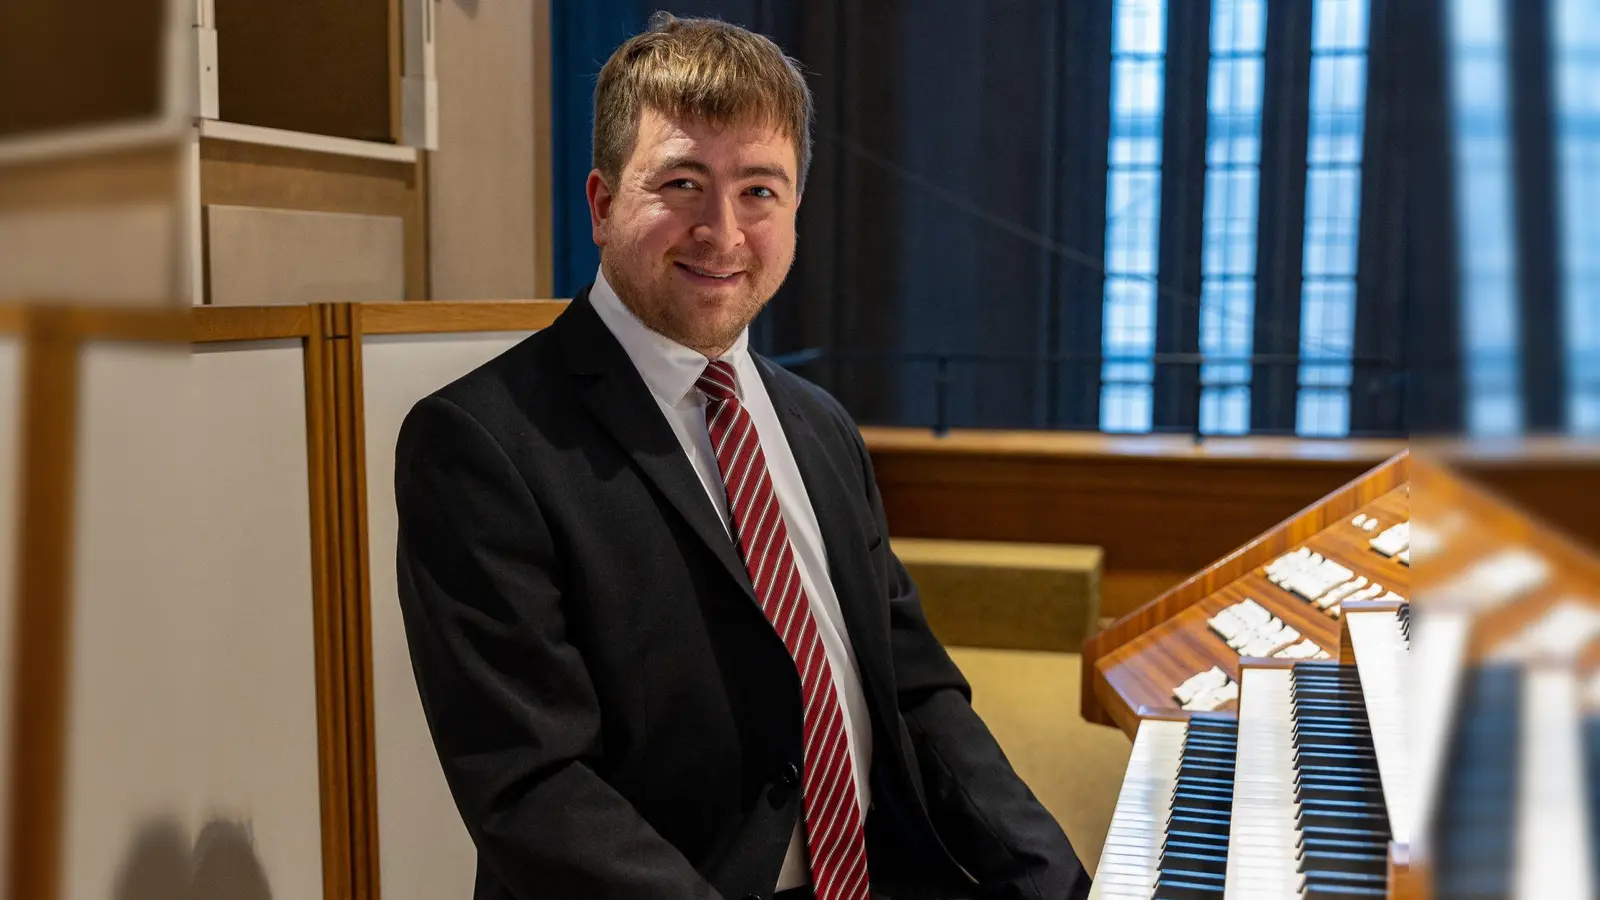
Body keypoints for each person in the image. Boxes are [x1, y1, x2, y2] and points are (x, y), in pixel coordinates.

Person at [394, 13, 1090, 900]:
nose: (722, 232)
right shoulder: (479, 442)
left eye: (759, 190)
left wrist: (1059, 885)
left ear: (795, 210)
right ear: (602, 205)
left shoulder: (821, 426)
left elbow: (915, 696)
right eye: (682, 183)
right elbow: (534, 790)